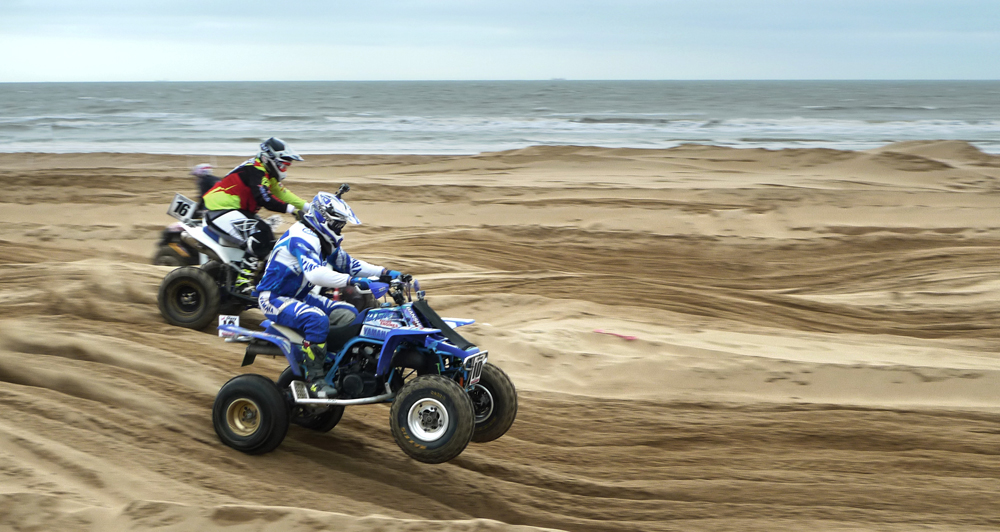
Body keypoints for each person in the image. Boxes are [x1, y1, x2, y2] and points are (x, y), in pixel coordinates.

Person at [254, 189, 408, 398]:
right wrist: (350, 281)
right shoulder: (302, 237)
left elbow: (350, 264)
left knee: (348, 313)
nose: (340, 228)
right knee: (316, 319)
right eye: (338, 224)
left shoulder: (321, 239)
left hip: (299, 295)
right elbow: (316, 274)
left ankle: (339, 368)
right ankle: (315, 379)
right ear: (323, 218)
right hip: (274, 297)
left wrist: (385, 273)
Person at [202, 137, 308, 293]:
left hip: (236, 210)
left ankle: (260, 276)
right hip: (220, 210)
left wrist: (309, 207)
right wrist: (292, 210)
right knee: (260, 234)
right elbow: (263, 198)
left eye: (286, 166)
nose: (284, 169)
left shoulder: (265, 173)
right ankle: (242, 283)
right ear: (270, 159)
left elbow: (283, 193)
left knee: (269, 237)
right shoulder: (255, 170)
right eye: (283, 165)